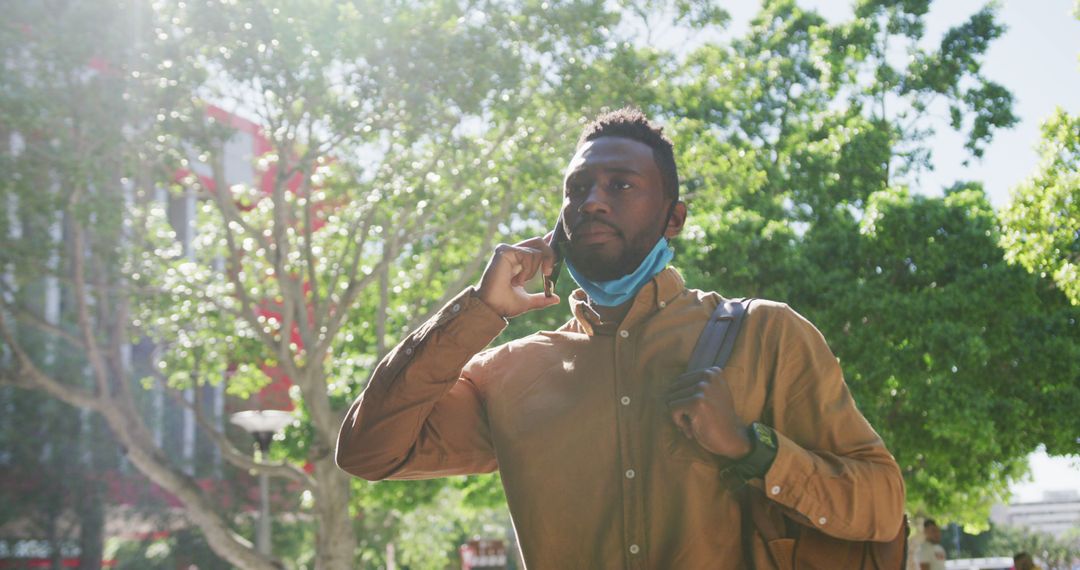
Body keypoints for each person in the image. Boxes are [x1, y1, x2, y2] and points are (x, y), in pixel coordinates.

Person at [336, 107, 906, 568]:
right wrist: (480, 310)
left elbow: (881, 504)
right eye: (577, 188)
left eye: (620, 185)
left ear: (673, 218)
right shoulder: (508, 372)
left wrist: (748, 447)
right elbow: (367, 451)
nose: (593, 202)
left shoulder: (768, 335)